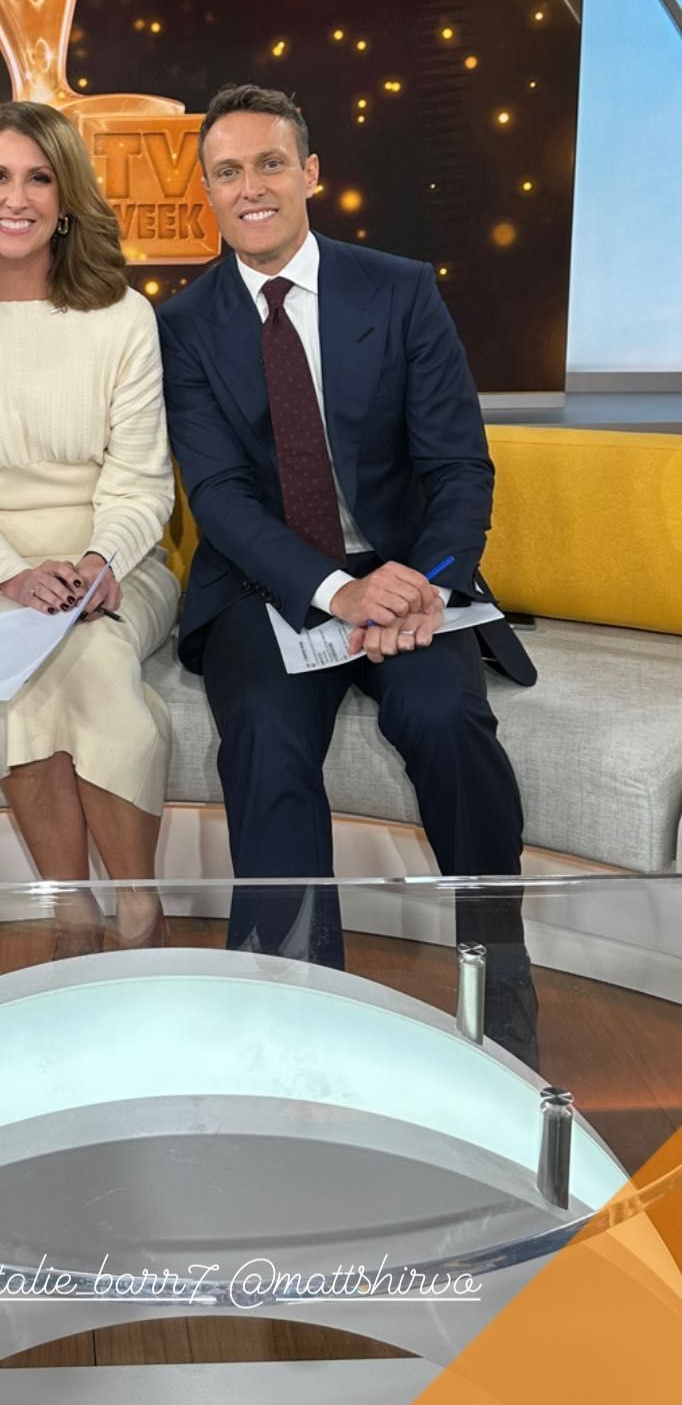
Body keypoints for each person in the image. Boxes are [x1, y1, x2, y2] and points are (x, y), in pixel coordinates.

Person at [158, 82, 538, 1058]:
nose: (251, 187)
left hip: (406, 575)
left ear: (311, 173)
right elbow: (220, 497)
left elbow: (459, 467)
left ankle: (499, 978)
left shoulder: (400, 289)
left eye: (270, 163)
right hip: (268, 586)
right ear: (208, 191)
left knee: (445, 717)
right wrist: (337, 591)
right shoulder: (185, 324)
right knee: (265, 740)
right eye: (228, 171)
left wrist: (425, 584)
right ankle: (296, 1011)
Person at [0, 101, 178, 945]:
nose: (14, 197)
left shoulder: (124, 317)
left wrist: (99, 561)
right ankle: (71, 905)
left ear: (65, 201)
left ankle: (139, 906)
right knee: (13, 667)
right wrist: (11, 574)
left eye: (38, 177)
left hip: (119, 559)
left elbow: (142, 478)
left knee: (95, 661)